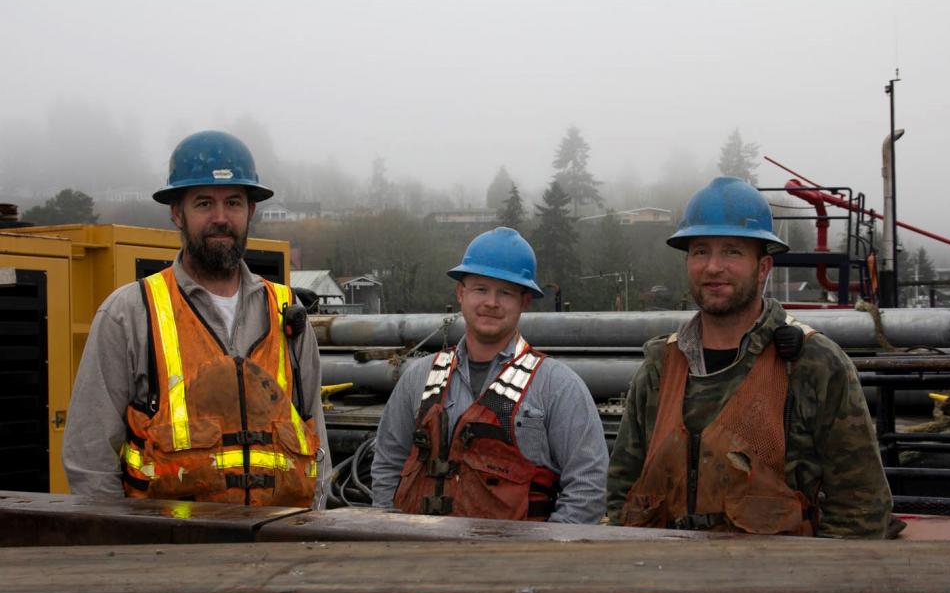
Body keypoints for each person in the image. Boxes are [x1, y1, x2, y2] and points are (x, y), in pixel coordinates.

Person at [607, 177, 891, 537]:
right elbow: (620, 491)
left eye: (732, 251)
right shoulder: (660, 369)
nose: (712, 267)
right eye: (700, 251)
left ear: (763, 268)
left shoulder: (813, 365)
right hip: (667, 580)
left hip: (775, 585)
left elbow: (861, 509)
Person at [62, 130, 331, 509]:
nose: (221, 218)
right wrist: (121, 551)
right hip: (170, 554)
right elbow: (89, 457)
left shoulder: (289, 315)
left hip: (278, 548)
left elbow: (315, 442)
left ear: (250, 211)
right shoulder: (130, 313)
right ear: (177, 213)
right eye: (204, 203)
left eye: (234, 203)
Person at [371, 227, 608, 522]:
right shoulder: (418, 379)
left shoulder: (558, 386)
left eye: (505, 292)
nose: (491, 303)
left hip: (514, 563)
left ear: (524, 302)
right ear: (461, 293)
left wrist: (541, 557)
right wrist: (389, 541)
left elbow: (587, 488)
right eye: (480, 289)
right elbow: (387, 467)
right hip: (418, 559)